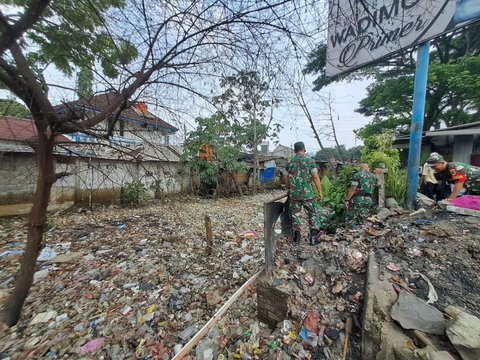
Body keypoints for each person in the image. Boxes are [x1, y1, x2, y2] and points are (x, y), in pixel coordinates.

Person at [283, 141, 327, 245]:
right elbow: (315, 176)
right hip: (308, 195)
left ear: (294, 150)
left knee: (295, 215)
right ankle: (313, 238)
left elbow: (285, 177)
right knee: (313, 213)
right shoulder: (310, 160)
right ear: (304, 149)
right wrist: (320, 192)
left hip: (294, 195)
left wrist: (289, 187)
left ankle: (297, 238)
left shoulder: (290, 162)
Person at [345, 163, 380, 229]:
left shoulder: (358, 175)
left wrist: (347, 200)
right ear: (368, 168)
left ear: (360, 168)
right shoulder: (373, 176)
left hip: (358, 199)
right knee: (363, 219)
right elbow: (379, 186)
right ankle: (362, 235)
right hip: (368, 199)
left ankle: (350, 235)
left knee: (351, 219)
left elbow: (353, 188)